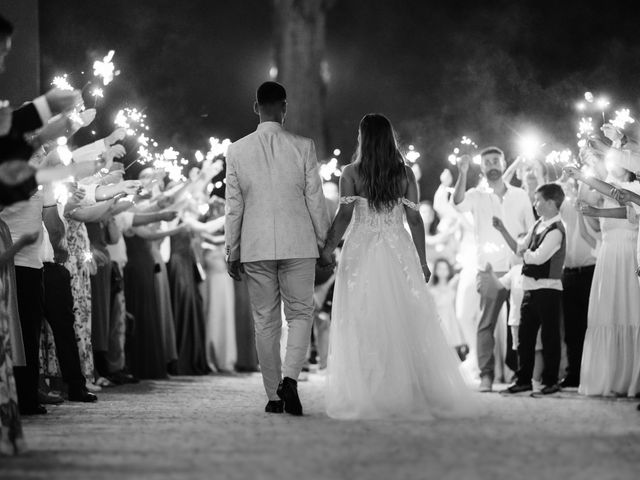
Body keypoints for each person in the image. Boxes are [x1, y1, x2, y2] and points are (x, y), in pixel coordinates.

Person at [319, 113, 476, 419]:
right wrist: (421, 260)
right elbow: (415, 219)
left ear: (363, 137)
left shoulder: (351, 172)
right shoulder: (404, 173)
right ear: (390, 138)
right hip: (397, 249)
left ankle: (372, 388)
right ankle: (408, 388)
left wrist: (326, 248)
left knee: (363, 317)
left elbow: (344, 217)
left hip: (362, 250)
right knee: (405, 316)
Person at [224, 81, 331, 416]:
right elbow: (315, 199)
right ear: (284, 108)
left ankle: (273, 396)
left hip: (255, 246)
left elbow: (233, 206)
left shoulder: (237, 150)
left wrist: (232, 249)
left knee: (265, 321)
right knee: (300, 314)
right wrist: (324, 242)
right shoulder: (303, 146)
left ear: (255, 107)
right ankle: (290, 379)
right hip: (298, 241)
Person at [453, 147, 535, 392]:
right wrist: (462, 173)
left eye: (495, 161)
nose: (491, 165)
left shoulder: (520, 195)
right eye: (487, 162)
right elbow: (457, 203)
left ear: (503, 162)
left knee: (522, 324)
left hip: (517, 267)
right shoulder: (476, 195)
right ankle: (486, 375)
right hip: (488, 269)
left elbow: (530, 229)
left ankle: (522, 374)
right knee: (486, 323)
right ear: (482, 167)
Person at [493, 183, 566, 395]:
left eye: (538, 200)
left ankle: (550, 381)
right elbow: (520, 249)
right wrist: (503, 230)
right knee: (525, 338)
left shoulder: (557, 229)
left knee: (550, 338)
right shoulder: (537, 225)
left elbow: (538, 257)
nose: (535, 204)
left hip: (548, 289)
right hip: (530, 288)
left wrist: (525, 253)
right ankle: (523, 379)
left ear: (551, 203)